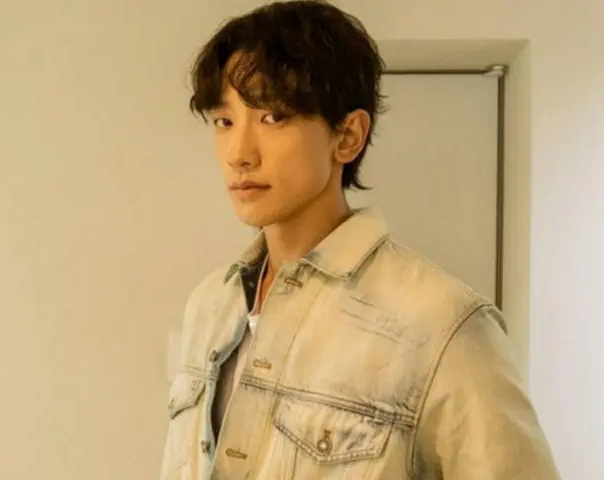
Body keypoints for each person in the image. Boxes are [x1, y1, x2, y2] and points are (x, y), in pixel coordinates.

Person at [160, 1, 561, 478]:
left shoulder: (442, 324)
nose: (239, 154)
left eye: (273, 117)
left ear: (348, 136)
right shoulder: (209, 305)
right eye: (225, 121)